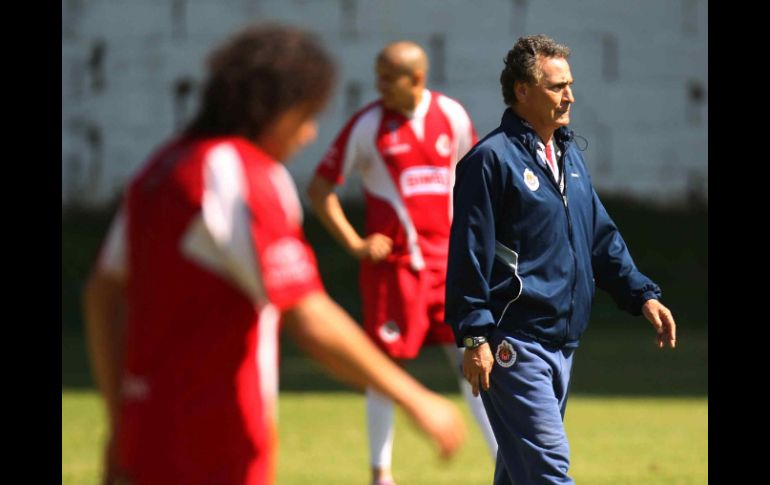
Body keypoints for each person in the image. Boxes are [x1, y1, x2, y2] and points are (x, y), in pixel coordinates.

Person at [82, 24, 467, 485]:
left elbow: (102, 294)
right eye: (306, 115)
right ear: (272, 109)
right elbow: (305, 313)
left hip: (144, 440)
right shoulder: (241, 174)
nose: (307, 134)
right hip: (216, 443)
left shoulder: (159, 169)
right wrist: (416, 398)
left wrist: (119, 419)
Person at [445, 34, 677, 485]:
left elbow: (599, 237)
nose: (569, 95)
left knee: (520, 475)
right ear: (522, 91)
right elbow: (469, 253)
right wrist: (474, 336)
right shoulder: (489, 161)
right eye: (556, 86)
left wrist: (641, 294)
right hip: (514, 342)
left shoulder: (568, 155)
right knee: (549, 471)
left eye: (569, 84)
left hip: (562, 342)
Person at [306, 40, 497, 485]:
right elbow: (319, 189)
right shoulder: (368, 125)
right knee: (385, 367)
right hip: (395, 273)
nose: (378, 87)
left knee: (475, 360)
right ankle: (381, 474)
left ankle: (506, 466)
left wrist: (481, 247)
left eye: (387, 78)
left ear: (416, 79)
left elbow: (475, 183)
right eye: (377, 76)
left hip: (452, 270)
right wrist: (354, 243)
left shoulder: (450, 116)